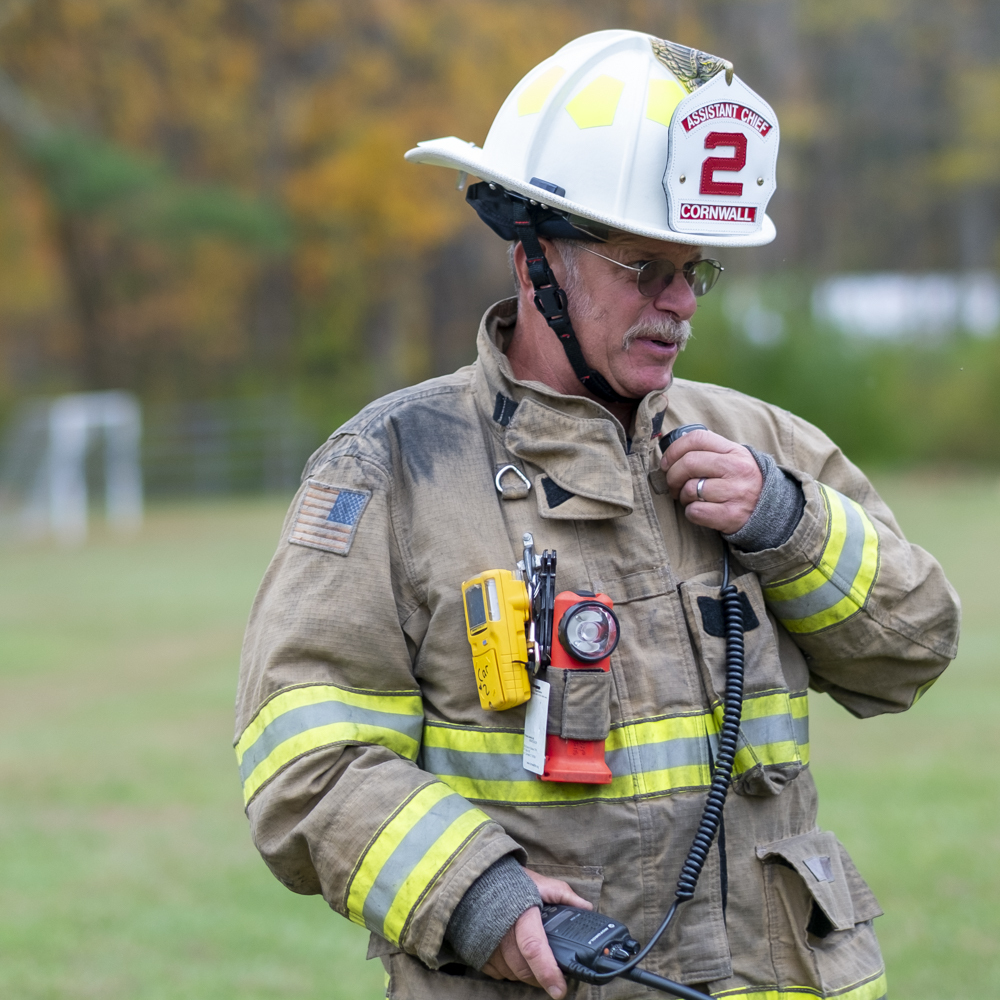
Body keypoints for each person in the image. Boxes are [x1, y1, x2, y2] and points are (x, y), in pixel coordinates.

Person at [235, 30, 960, 1000]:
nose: (679, 304)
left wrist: (789, 526)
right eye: (643, 267)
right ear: (535, 259)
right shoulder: (392, 469)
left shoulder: (764, 446)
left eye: (694, 271)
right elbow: (308, 762)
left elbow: (912, 648)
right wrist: (478, 898)